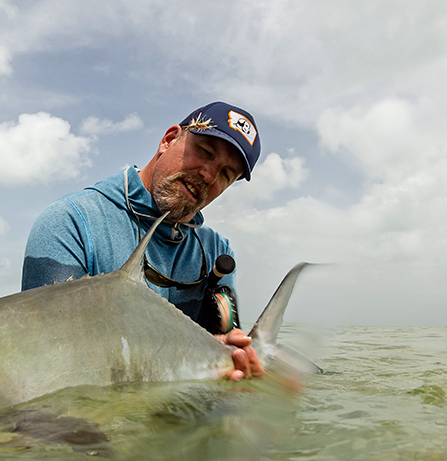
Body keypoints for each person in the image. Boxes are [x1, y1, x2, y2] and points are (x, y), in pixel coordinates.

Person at [22, 101, 265, 380]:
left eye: (225, 174)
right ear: (169, 139)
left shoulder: (216, 251)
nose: (208, 175)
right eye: (204, 151)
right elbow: (47, 360)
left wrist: (235, 358)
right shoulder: (70, 222)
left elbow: (221, 342)